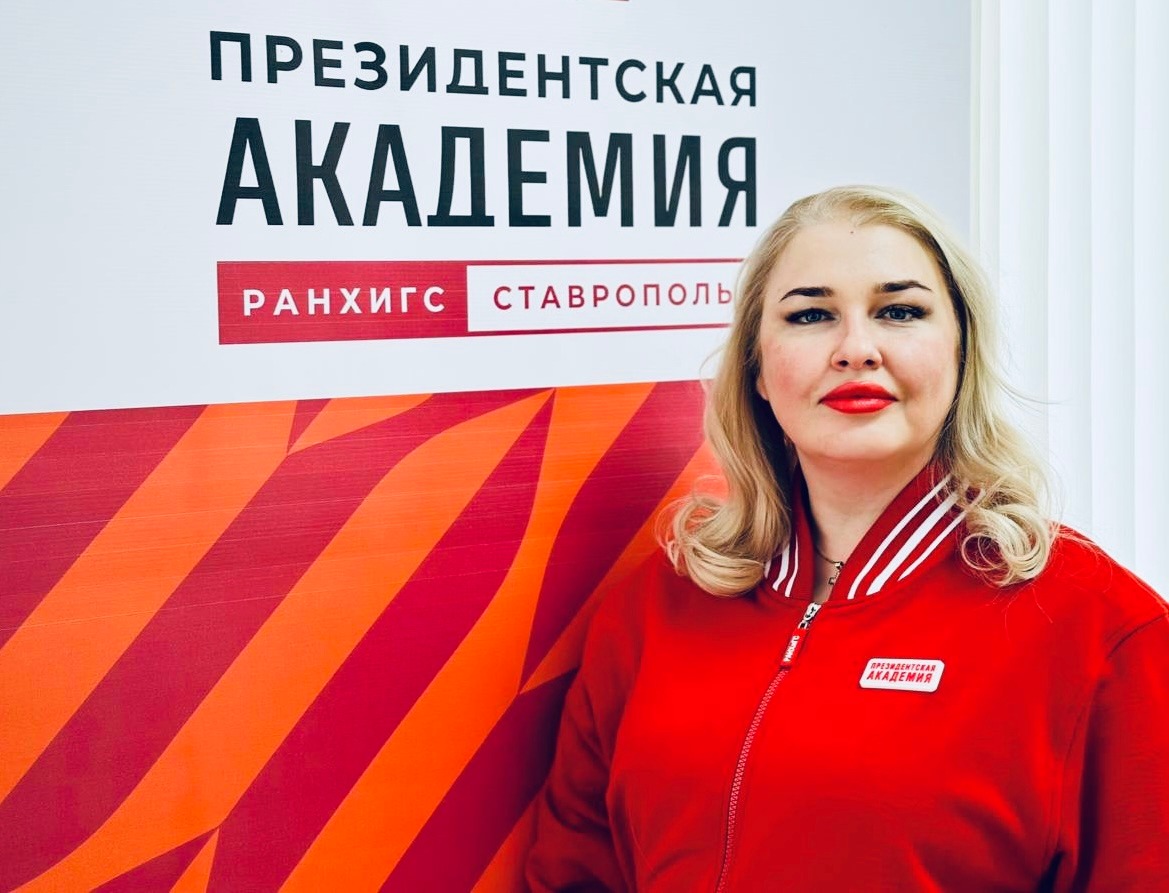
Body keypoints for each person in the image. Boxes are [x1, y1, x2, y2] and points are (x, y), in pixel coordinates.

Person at [526, 185, 1169, 891]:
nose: (856, 349)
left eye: (900, 311)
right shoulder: (653, 607)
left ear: (961, 351)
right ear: (757, 368)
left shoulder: (1099, 629)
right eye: (810, 314)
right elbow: (572, 874)